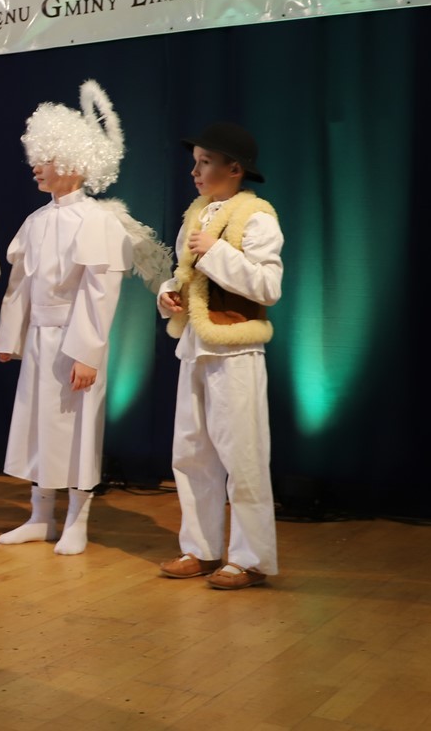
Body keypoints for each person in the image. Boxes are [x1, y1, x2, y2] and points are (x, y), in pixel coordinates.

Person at [0, 81, 169, 556]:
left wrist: (87, 352)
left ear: (72, 162)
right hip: (39, 339)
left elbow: (99, 290)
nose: (36, 166)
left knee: (77, 428)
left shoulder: (96, 221)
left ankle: (77, 520)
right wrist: (10, 335)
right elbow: (20, 283)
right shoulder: (35, 221)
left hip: (74, 339)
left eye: (46, 158)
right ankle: (40, 516)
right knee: (38, 425)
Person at [156, 123, 284, 590]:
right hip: (196, 346)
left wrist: (215, 253)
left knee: (242, 455)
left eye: (205, 162)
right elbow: (185, 276)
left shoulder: (256, 216)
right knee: (191, 453)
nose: (194, 171)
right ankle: (201, 548)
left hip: (235, 348)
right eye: (195, 162)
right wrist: (169, 293)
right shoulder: (197, 215)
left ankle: (251, 558)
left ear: (235, 169)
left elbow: (268, 286)